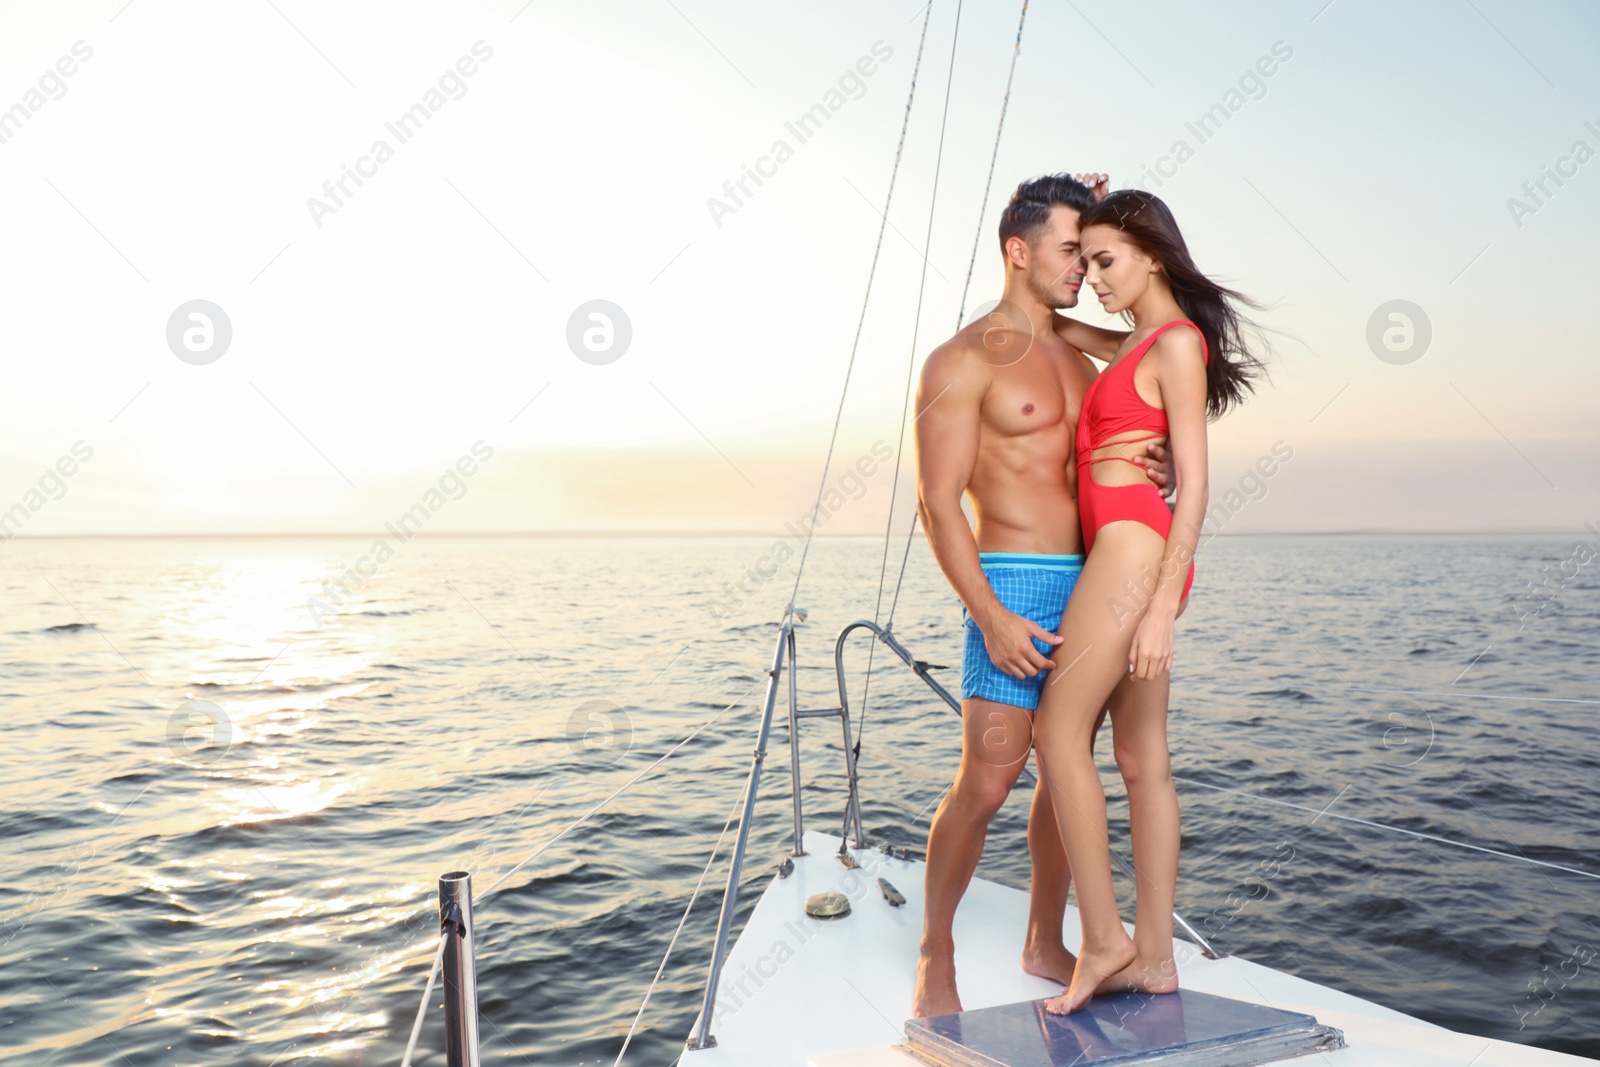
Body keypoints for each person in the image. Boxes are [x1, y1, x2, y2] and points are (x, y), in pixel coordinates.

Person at [911, 174, 1174, 1018]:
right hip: (1014, 581)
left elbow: (1152, 349)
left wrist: (1156, 464)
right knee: (988, 780)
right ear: (1017, 252)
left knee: (1071, 776)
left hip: (1097, 575)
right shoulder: (960, 360)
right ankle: (934, 946)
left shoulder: (1083, 345)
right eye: (1069, 250)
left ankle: (1041, 937)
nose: (1082, 267)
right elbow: (936, 500)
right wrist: (988, 614)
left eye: (1086, 253)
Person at [1032, 189, 1264, 1014]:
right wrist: (1083, 213)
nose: (1090, 276)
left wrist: (1162, 608)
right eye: (1084, 262)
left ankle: (1103, 942)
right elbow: (1054, 322)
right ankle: (1156, 959)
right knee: (1140, 758)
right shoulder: (1134, 341)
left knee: (1056, 730)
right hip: (1132, 549)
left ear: (1154, 256)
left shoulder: (1175, 345)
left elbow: (1197, 486)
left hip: (1137, 551)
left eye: (1104, 261)